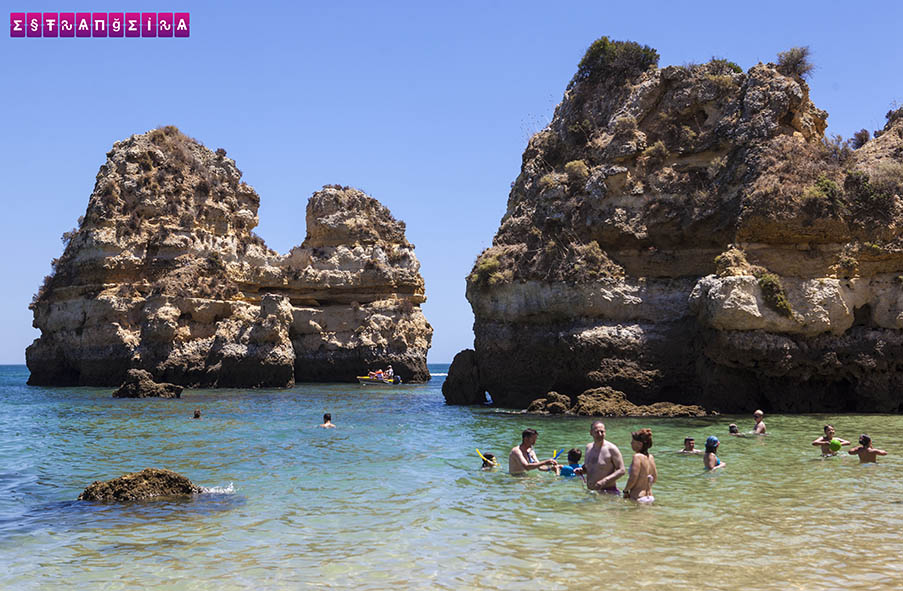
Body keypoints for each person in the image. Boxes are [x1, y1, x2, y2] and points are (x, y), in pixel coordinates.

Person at [576, 421, 625, 493]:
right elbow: (592, 468)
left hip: (608, 492)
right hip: (590, 491)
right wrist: (581, 471)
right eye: (597, 432)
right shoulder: (588, 447)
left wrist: (604, 481)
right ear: (591, 433)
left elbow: (622, 470)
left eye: (602, 432)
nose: (600, 434)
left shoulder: (611, 449)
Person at [623, 428, 657, 503]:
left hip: (638, 497)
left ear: (640, 444)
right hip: (650, 497)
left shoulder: (637, 457)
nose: (631, 443)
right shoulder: (651, 457)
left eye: (633, 442)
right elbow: (654, 479)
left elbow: (633, 478)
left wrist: (625, 491)